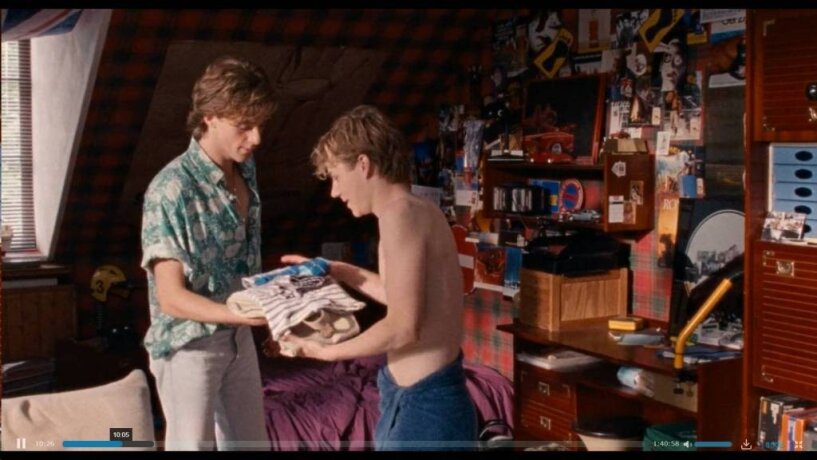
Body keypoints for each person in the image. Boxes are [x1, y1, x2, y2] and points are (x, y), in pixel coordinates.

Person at [279, 105, 478, 451]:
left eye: (336, 176)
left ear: (363, 164)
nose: (334, 192)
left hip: (426, 409)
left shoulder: (399, 216)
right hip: (414, 400)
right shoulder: (417, 210)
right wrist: (337, 270)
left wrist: (323, 351)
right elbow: (401, 296)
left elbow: (402, 328)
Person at [140, 55, 276, 451]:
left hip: (238, 339)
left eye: (260, 124)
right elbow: (171, 298)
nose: (256, 138)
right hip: (188, 346)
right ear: (210, 116)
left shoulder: (245, 168)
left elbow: (244, 265)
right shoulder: (170, 190)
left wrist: (273, 316)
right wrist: (243, 315)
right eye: (244, 125)